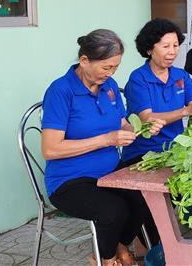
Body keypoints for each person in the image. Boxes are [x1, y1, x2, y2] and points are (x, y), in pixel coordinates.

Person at [41, 29, 164, 266]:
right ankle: (106, 260)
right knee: (113, 210)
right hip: (69, 180)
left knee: (144, 198)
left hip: (109, 174)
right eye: (106, 67)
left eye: (115, 67)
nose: (111, 73)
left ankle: (118, 246)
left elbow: (123, 124)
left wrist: (141, 129)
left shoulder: (109, 87)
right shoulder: (61, 91)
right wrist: (106, 139)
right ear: (84, 61)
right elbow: (51, 149)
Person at [121, 18, 192, 234]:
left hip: (176, 151)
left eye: (176, 46)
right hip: (144, 154)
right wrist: (185, 111)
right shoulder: (138, 79)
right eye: (165, 46)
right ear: (150, 49)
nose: (172, 52)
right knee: (154, 203)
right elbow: (148, 117)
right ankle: (157, 247)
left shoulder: (180, 76)